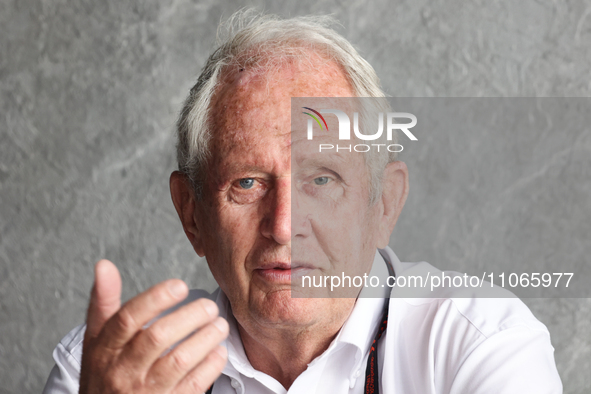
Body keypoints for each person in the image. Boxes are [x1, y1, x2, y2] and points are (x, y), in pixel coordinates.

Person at [43, 11, 562, 394]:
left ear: (383, 205)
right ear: (192, 214)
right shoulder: (110, 369)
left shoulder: (481, 347)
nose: (284, 225)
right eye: (247, 184)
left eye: (322, 179)